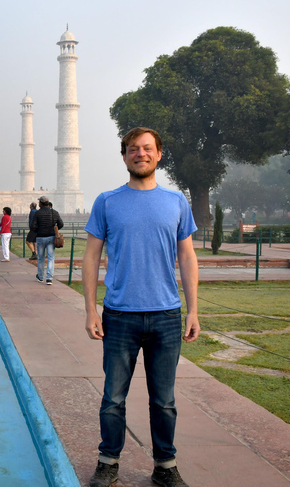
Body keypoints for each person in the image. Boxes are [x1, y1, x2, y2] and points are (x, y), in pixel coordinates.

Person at [83, 127, 199, 487]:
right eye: (134, 149)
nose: (141, 154)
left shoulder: (176, 202)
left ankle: (165, 465)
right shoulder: (107, 201)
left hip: (165, 313)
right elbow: (91, 257)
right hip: (119, 314)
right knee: (113, 397)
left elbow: (187, 256)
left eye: (147, 148)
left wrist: (193, 310)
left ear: (159, 154)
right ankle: (108, 462)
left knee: (163, 399)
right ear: (124, 156)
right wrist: (90, 309)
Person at [31, 196, 63, 285]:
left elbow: (32, 226)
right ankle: (49, 278)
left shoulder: (37, 213)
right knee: (50, 258)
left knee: (41, 258)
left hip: (40, 237)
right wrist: (53, 229)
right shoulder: (54, 212)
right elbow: (61, 224)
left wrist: (39, 230)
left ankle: (40, 277)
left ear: (41, 203)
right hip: (51, 237)